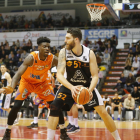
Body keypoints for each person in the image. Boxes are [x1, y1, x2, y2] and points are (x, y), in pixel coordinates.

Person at [47, 28, 121, 140]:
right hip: (69, 86)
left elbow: (95, 76)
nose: (65, 40)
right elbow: (59, 75)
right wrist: (72, 87)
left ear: (76, 39)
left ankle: (118, 138)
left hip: (87, 86)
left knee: (103, 112)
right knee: (54, 107)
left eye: (68, 38)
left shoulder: (89, 53)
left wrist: (90, 90)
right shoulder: (63, 52)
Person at [1, 37, 58, 140]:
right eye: (44, 46)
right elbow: (18, 73)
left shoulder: (52, 58)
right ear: (39, 47)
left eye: (48, 47)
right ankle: (7, 131)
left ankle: (62, 130)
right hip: (27, 83)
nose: (47, 49)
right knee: (16, 105)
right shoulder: (31, 57)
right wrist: (11, 87)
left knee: (55, 105)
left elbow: (64, 67)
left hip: (41, 84)